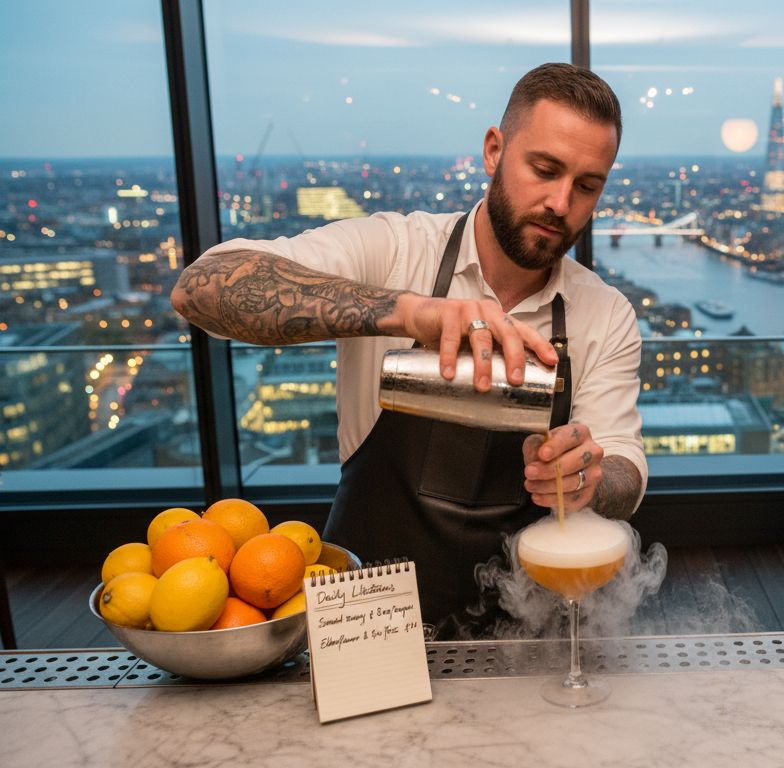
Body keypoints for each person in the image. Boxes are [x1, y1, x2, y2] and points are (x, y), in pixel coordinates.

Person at [171, 63, 647, 638]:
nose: (560, 202)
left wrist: (593, 475)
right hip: (366, 625)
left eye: (587, 185)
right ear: (494, 150)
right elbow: (203, 288)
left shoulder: (605, 313)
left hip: (528, 630)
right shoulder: (397, 250)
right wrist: (406, 311)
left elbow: (625, 468)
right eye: (543, 170)